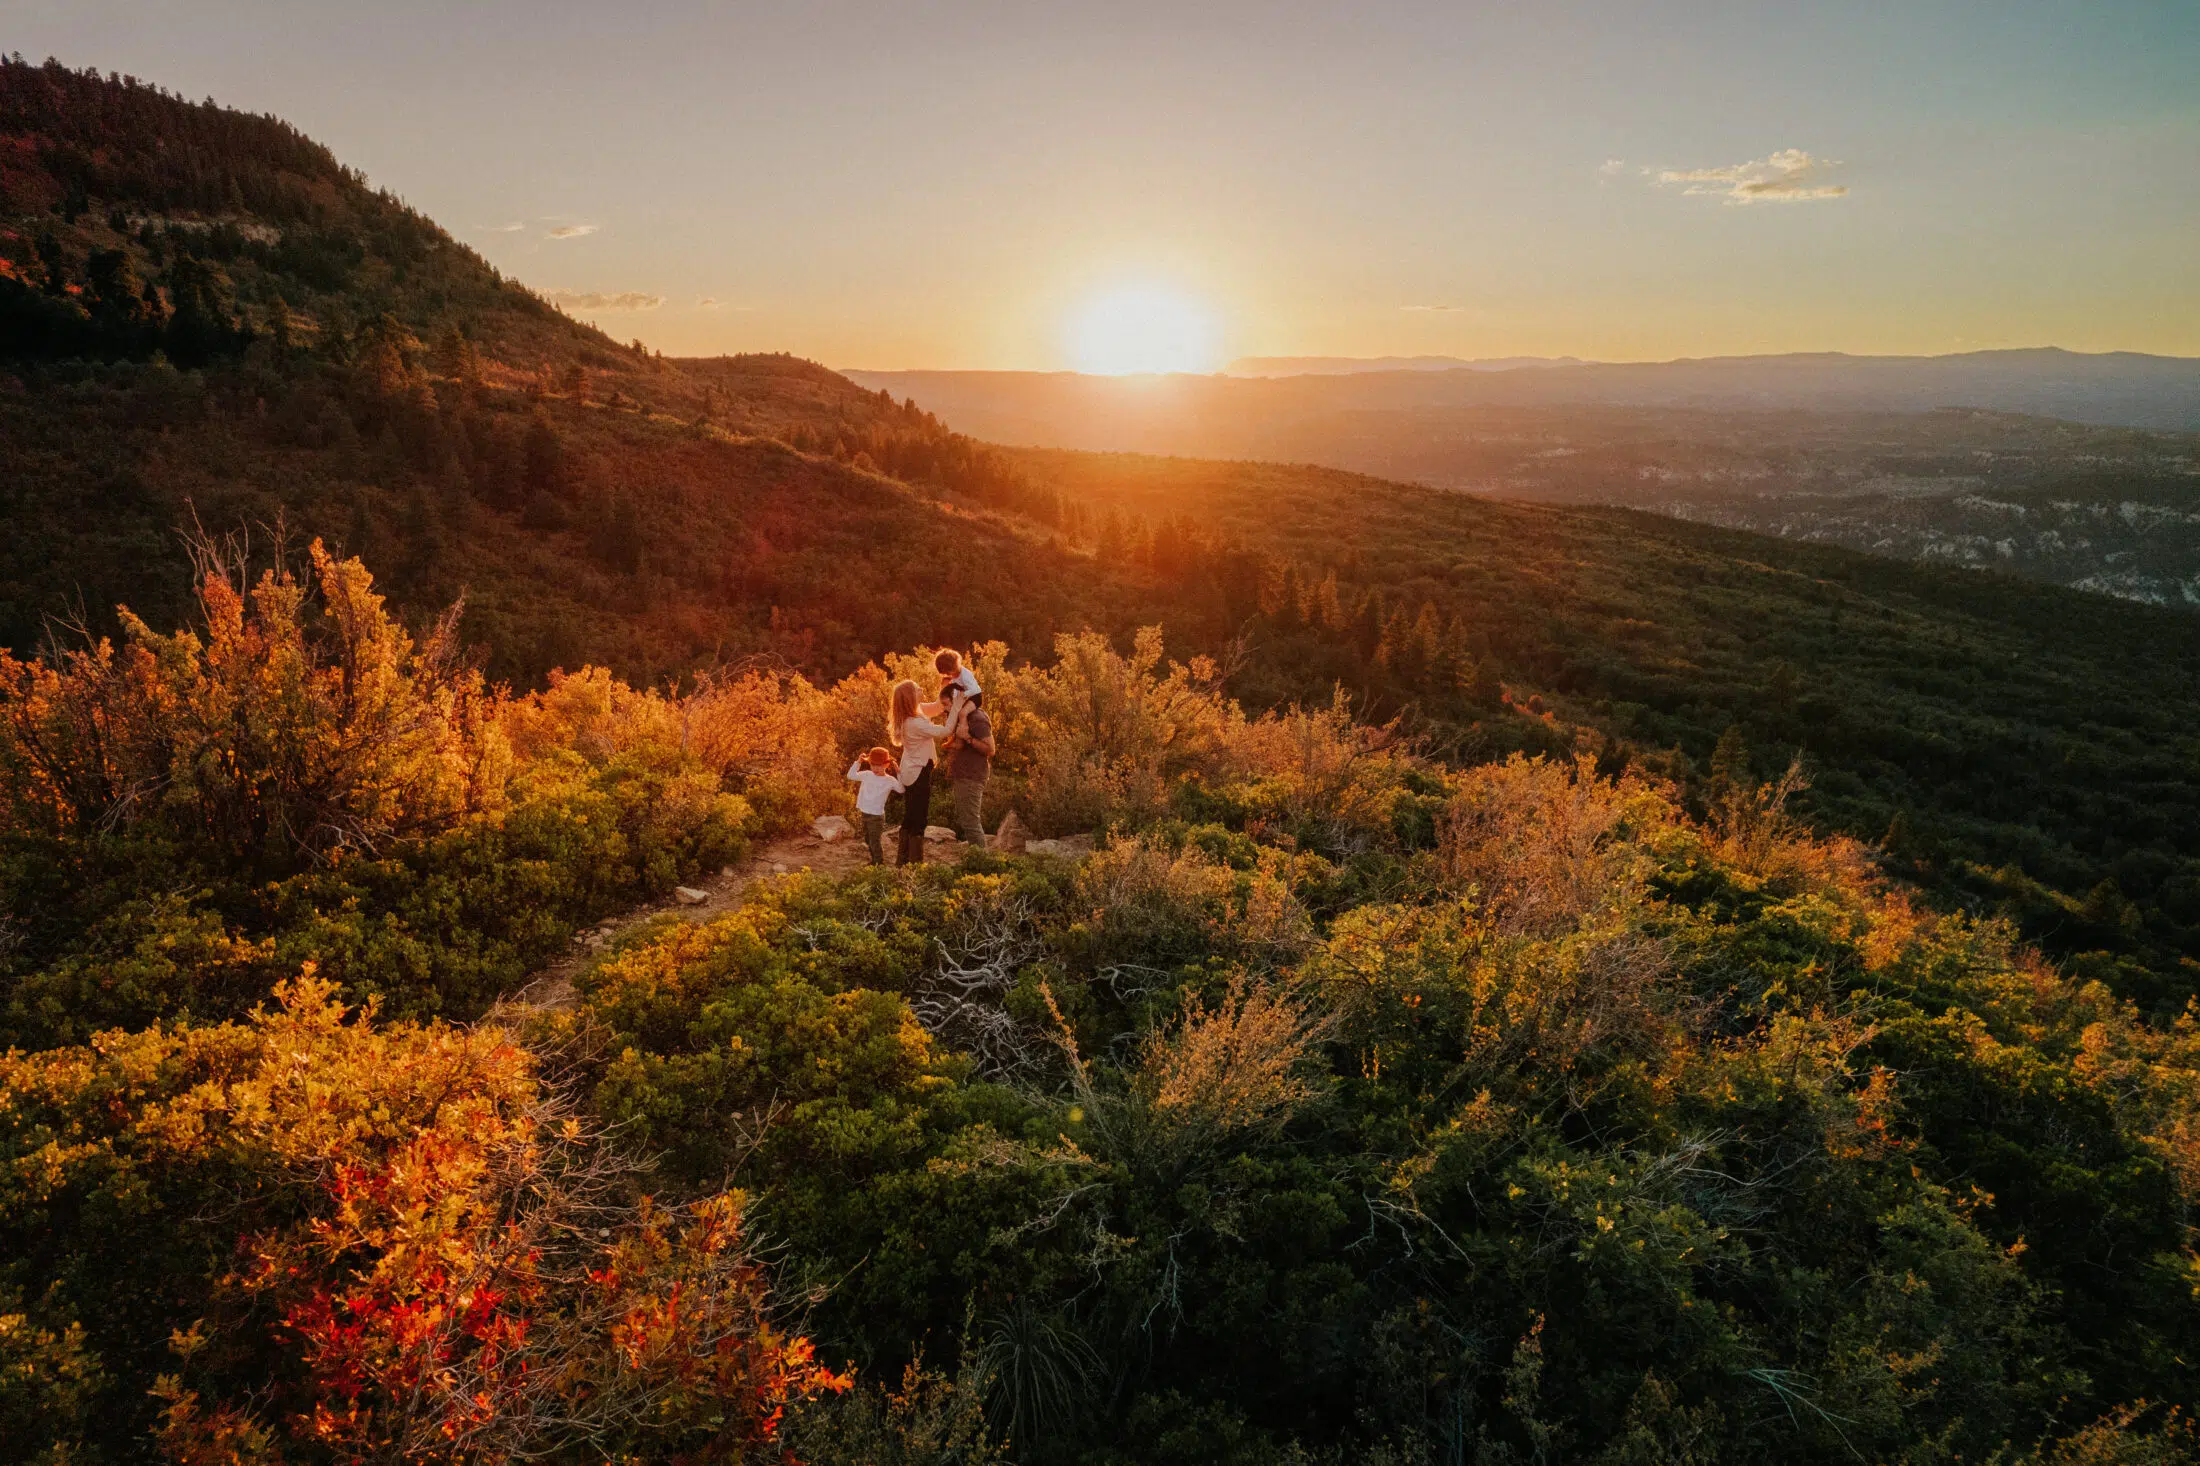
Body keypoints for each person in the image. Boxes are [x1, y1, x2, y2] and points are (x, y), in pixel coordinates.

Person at [886, 678, 954, 866]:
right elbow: (945, 730)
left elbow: (938, 707)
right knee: (919, 818)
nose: (921, 689)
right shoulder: (914, 722)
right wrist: (956, 710)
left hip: (912, 770)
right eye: (917, 689)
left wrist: (944, 688)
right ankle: (915, 865)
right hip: (918, 772)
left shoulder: (915, 712)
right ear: (910, 696)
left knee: (910, 816)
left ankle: (902, 862)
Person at [945, 694, 995, 846]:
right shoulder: (963, 718)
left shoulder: (977, 718)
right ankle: (978, 859)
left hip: (971, 776)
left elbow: (990, 749)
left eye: (947, 704)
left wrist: (967, 738)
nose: (946, 709)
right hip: (964, 775)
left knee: (971, 822)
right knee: (968, 820)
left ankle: (982, 863)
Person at [845, 746, 901, 865]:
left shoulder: (889, 780)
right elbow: (850, 775)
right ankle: (874, 860)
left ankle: (878, 863)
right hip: (865, 813)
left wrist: (898, 772)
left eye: (879, 765)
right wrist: (858, 762)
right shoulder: (867, 775)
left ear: (886, 765)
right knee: (867, 839)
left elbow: (901, 790)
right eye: (873, 765)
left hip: (877, 816)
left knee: (875, 841)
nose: (875, 768)